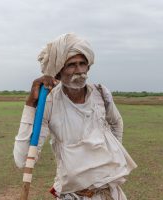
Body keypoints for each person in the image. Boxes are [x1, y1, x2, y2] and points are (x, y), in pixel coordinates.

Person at [13, 33, 137, 200]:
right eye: (71, 65)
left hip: (110, 194)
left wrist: (113, 156)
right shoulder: (49, 102)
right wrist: (30, 106)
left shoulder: (101, 94)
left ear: (88, 66)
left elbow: (116, 122)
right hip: (73, 195)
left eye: (82, 64)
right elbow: (22, 159)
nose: (79, 71)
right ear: (58, 72)